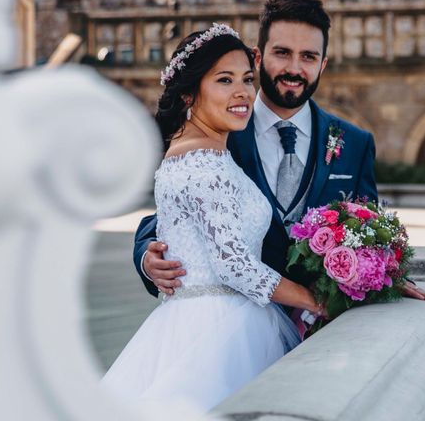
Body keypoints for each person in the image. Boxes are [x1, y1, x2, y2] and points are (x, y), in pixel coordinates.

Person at [134, 0, 425, 303]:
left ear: (323, 65)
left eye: (308, 56)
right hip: (238, 316)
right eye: (282, 52)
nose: (294, 68)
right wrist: (146, 257)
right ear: (258, 57)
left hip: (321, 331)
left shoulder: (355, 143)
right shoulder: (219, 132)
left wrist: (387, 275)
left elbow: (369, 232)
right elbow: (170, 214)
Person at [102, 24, 318, 411]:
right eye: (224, 80)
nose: (242, 92)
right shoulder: (204, 162)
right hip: (217, 330)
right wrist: (314, 300)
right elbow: (235, 267)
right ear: (189, 93)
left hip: (210, 317)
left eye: (247, 80)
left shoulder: (198, 151)